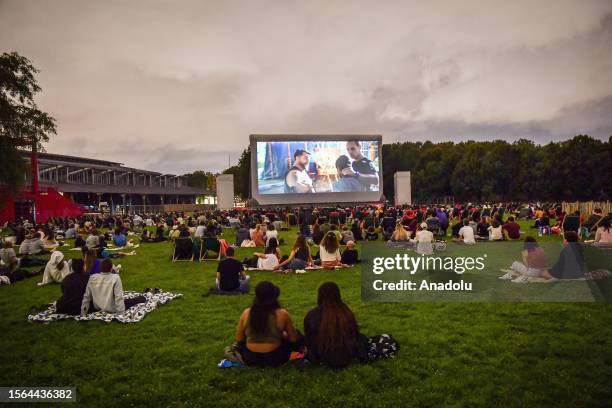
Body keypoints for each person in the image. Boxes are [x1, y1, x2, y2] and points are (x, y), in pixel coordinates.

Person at [235, 281, 301, 367]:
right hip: (276, 358)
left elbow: (240, 339)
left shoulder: (246, 313)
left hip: (250, 358)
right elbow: (293, 339)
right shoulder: (282, 314)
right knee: (298, 335)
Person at [304, 282, 368, 368]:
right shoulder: (345, 311)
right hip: (347, 354)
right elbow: (354, 333)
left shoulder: (312, 314)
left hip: (320, 355)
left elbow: (309, 338)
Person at [81, 259, 146, 315]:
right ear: (111, 268)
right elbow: (118, 297)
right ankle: (142, 298)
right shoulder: (115, 278)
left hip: (97, 307)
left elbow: (87, 296)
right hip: (112, 308)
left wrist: (83, 312)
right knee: (140, 298)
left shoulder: (92, 277)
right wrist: (121, 313)